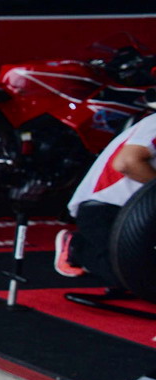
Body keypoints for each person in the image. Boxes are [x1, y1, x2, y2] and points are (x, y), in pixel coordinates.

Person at [55, 112, 156, 297]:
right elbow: (126, 163)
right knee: (138, 281)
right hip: (104, 207)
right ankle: (76, 246)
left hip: (144, 212)